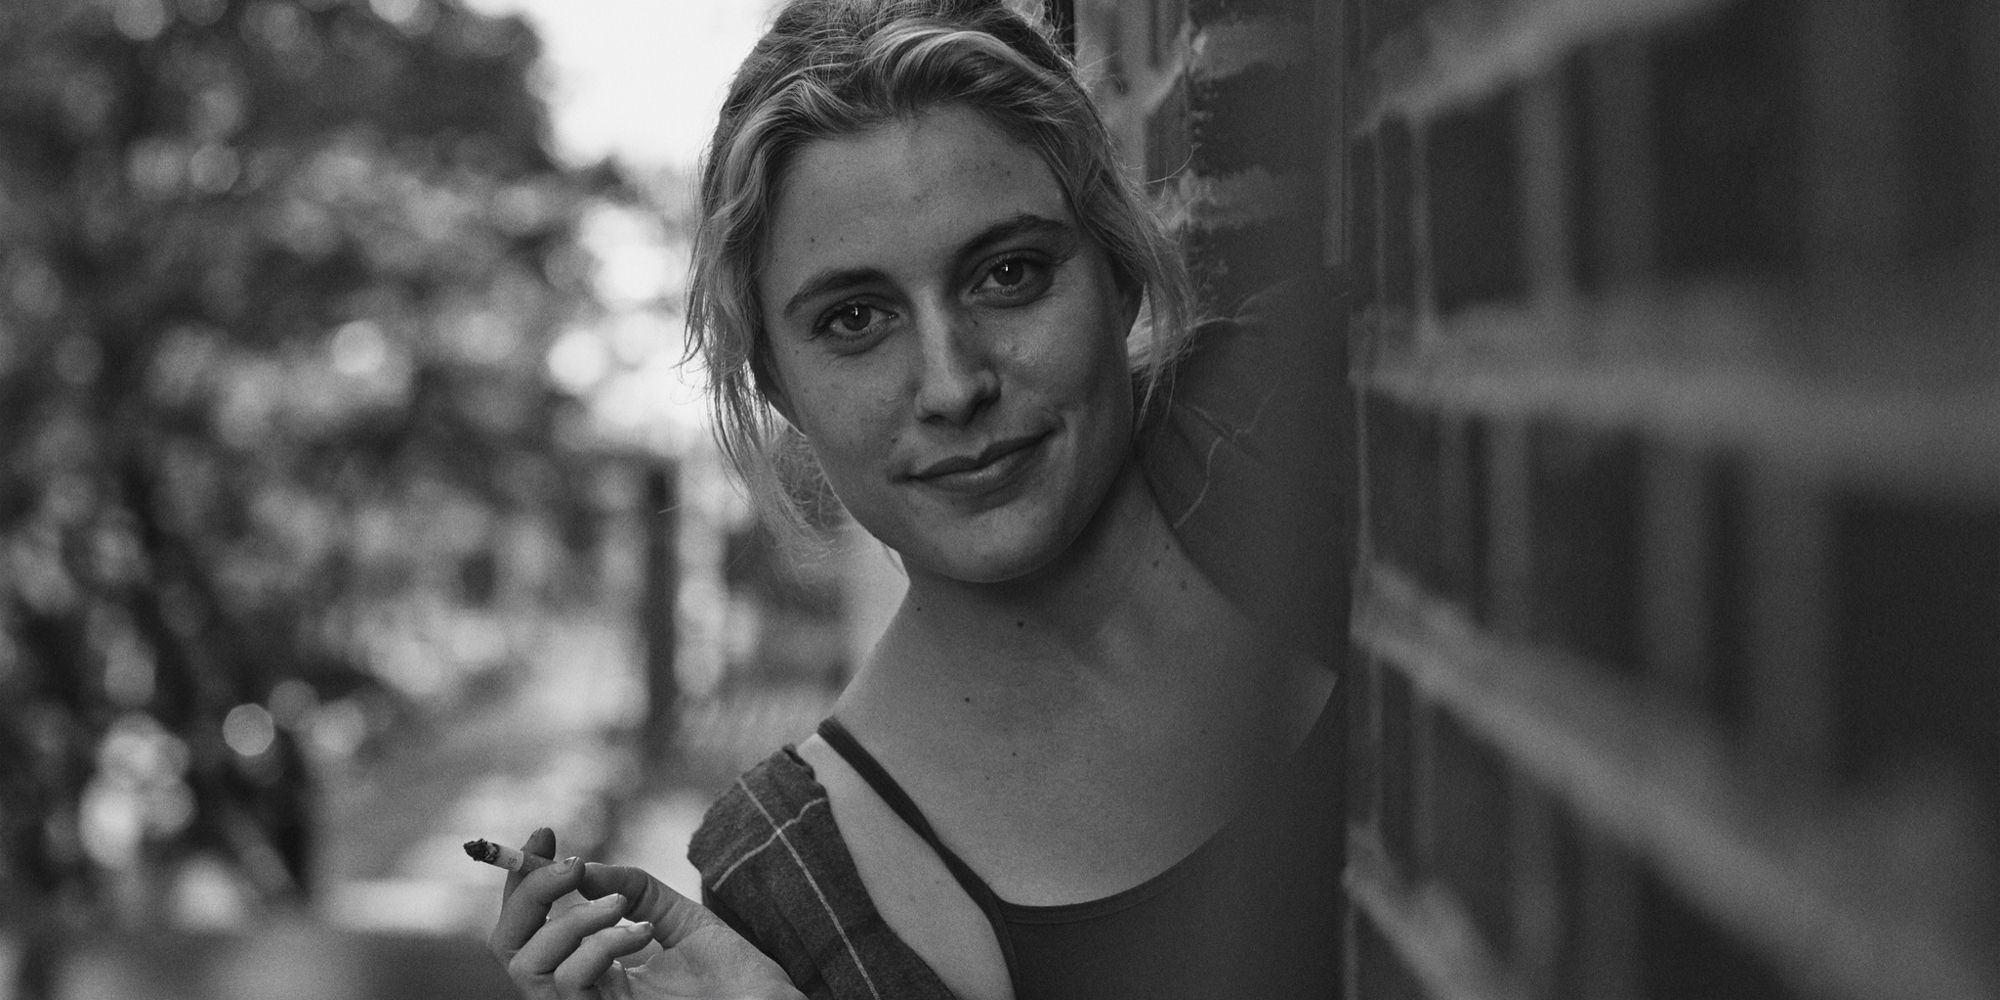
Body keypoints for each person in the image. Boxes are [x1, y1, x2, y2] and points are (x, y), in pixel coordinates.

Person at [485, 1, 1348, 997]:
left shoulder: (1298, 419)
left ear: (1113, 270)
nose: (951, 384)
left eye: (1008, 273)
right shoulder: (806, 881)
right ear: (778, 386)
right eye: (854, 318)